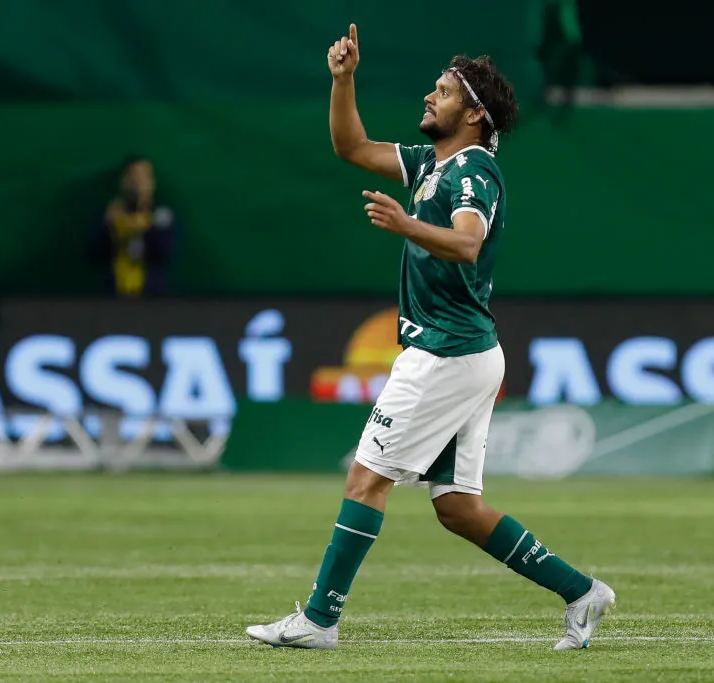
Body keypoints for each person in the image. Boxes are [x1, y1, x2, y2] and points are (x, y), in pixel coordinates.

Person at [246, 23, 614, 652]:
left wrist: (406, 224)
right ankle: (582, 592)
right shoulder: (431, 163)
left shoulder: (473, 172)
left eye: (442, 92)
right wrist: (343, 80)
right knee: (458, 509)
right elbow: (352, 147)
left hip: (445, 351)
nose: (428, 97)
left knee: (366, 480)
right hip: (468, 351)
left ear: (473, 115)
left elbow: (467, 244)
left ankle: (320, 620)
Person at [89, 155, 176, 297]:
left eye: (143, 177)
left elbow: (165, 252)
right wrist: (109, 226)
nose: (138, 182)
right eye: (133, 176)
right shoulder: (111, 215)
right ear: (123, 182)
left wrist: (140, 225)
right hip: (112, 297)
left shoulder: (162, 215)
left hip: (152, 297)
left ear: (152, 182)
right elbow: (93, 254)